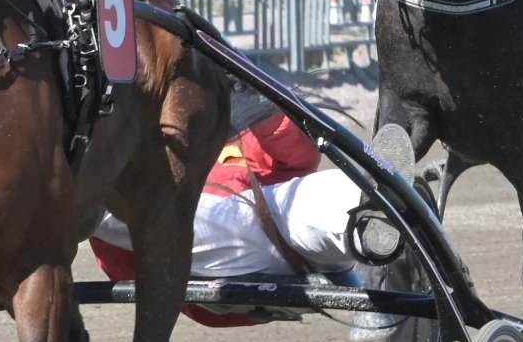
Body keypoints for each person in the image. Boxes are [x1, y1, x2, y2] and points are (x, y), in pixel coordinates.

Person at [90, 90, 369, 290]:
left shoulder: (238, 128)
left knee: (307, 197)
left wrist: (256, 102)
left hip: (279, 229)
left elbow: (302, 155)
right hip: (212, 244)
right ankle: (377, 216)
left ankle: (381, 221)